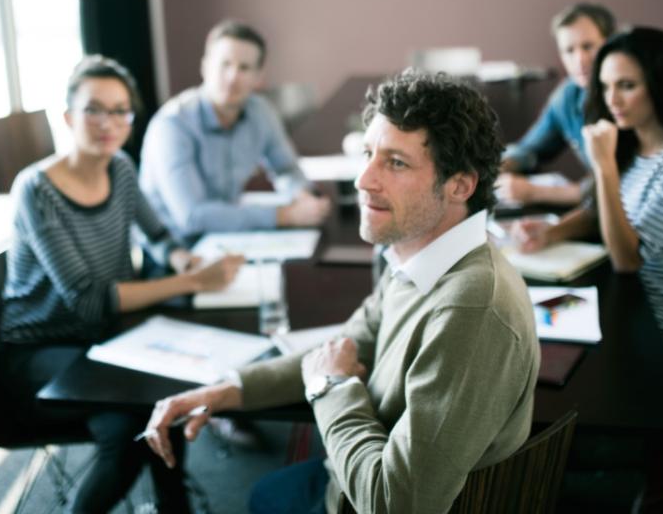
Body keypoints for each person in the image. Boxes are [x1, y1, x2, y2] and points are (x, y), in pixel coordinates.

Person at [143, 70, 541, 514]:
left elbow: (399, 503)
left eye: (395, 163)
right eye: (368, 153)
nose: (363, 180)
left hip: (366, 498)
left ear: (460, 186)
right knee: (264, 495)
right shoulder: (415, 254)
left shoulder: (472, 310)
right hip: (351, 473)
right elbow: (345, 346)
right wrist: (224, 391)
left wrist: (331, 386)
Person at [0, 55, 243, 513]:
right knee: (132, 432)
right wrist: (189, 280)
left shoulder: (121, 169)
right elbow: (89, 300)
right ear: (70, 117)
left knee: (167, 403)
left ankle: (175, 506)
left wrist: (185, 258)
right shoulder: (37, 189)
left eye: (120, 110)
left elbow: (159, 237)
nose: (108, 122)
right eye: (95, 109)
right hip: (39, 350)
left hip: (104, 339)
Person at [514, 27, 663, 384]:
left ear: (661, 85)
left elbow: (628, 258)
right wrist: (551, 232)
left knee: (578, 384)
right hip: (626, 305)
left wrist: (604, 166)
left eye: (627, 86)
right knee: (521, 331)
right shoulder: (635, 144)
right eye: (606, 86)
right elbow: (604, 216)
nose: (613, 100)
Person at [140, 19, 330, 243]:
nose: (232, 77)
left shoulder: (260, 112)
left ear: (259, 77)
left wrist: (302, 196)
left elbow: (286, 168)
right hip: (176, 250)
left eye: (244, 68)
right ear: (205, 66)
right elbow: (192, 217)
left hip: (229, 237)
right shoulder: (172, 125)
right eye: (225, 64)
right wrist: (285, 215)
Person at [497, 2, 616, 206]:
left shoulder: (626, 101)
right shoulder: (569, 95)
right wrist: (492, 169)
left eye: (588, 46)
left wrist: (535, 192)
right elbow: (530, 148)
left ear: (611, 44)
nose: (580, 60)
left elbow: (623, 184)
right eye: (569, 50)